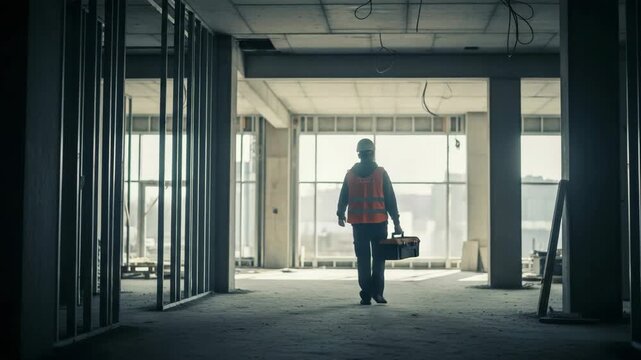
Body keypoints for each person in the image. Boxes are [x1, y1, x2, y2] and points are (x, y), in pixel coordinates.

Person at [336, 138, 402, 305]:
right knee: (379, 259)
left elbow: (343, 196)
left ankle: (366, 293)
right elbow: (390, 199)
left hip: (359, 226)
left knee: (363, 259)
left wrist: (340, 214)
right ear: (372, 153)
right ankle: (378, 294)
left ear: (358, 154)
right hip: (379, 224)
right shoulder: (381, 173)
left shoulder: (350, 174)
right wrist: (396, 222)